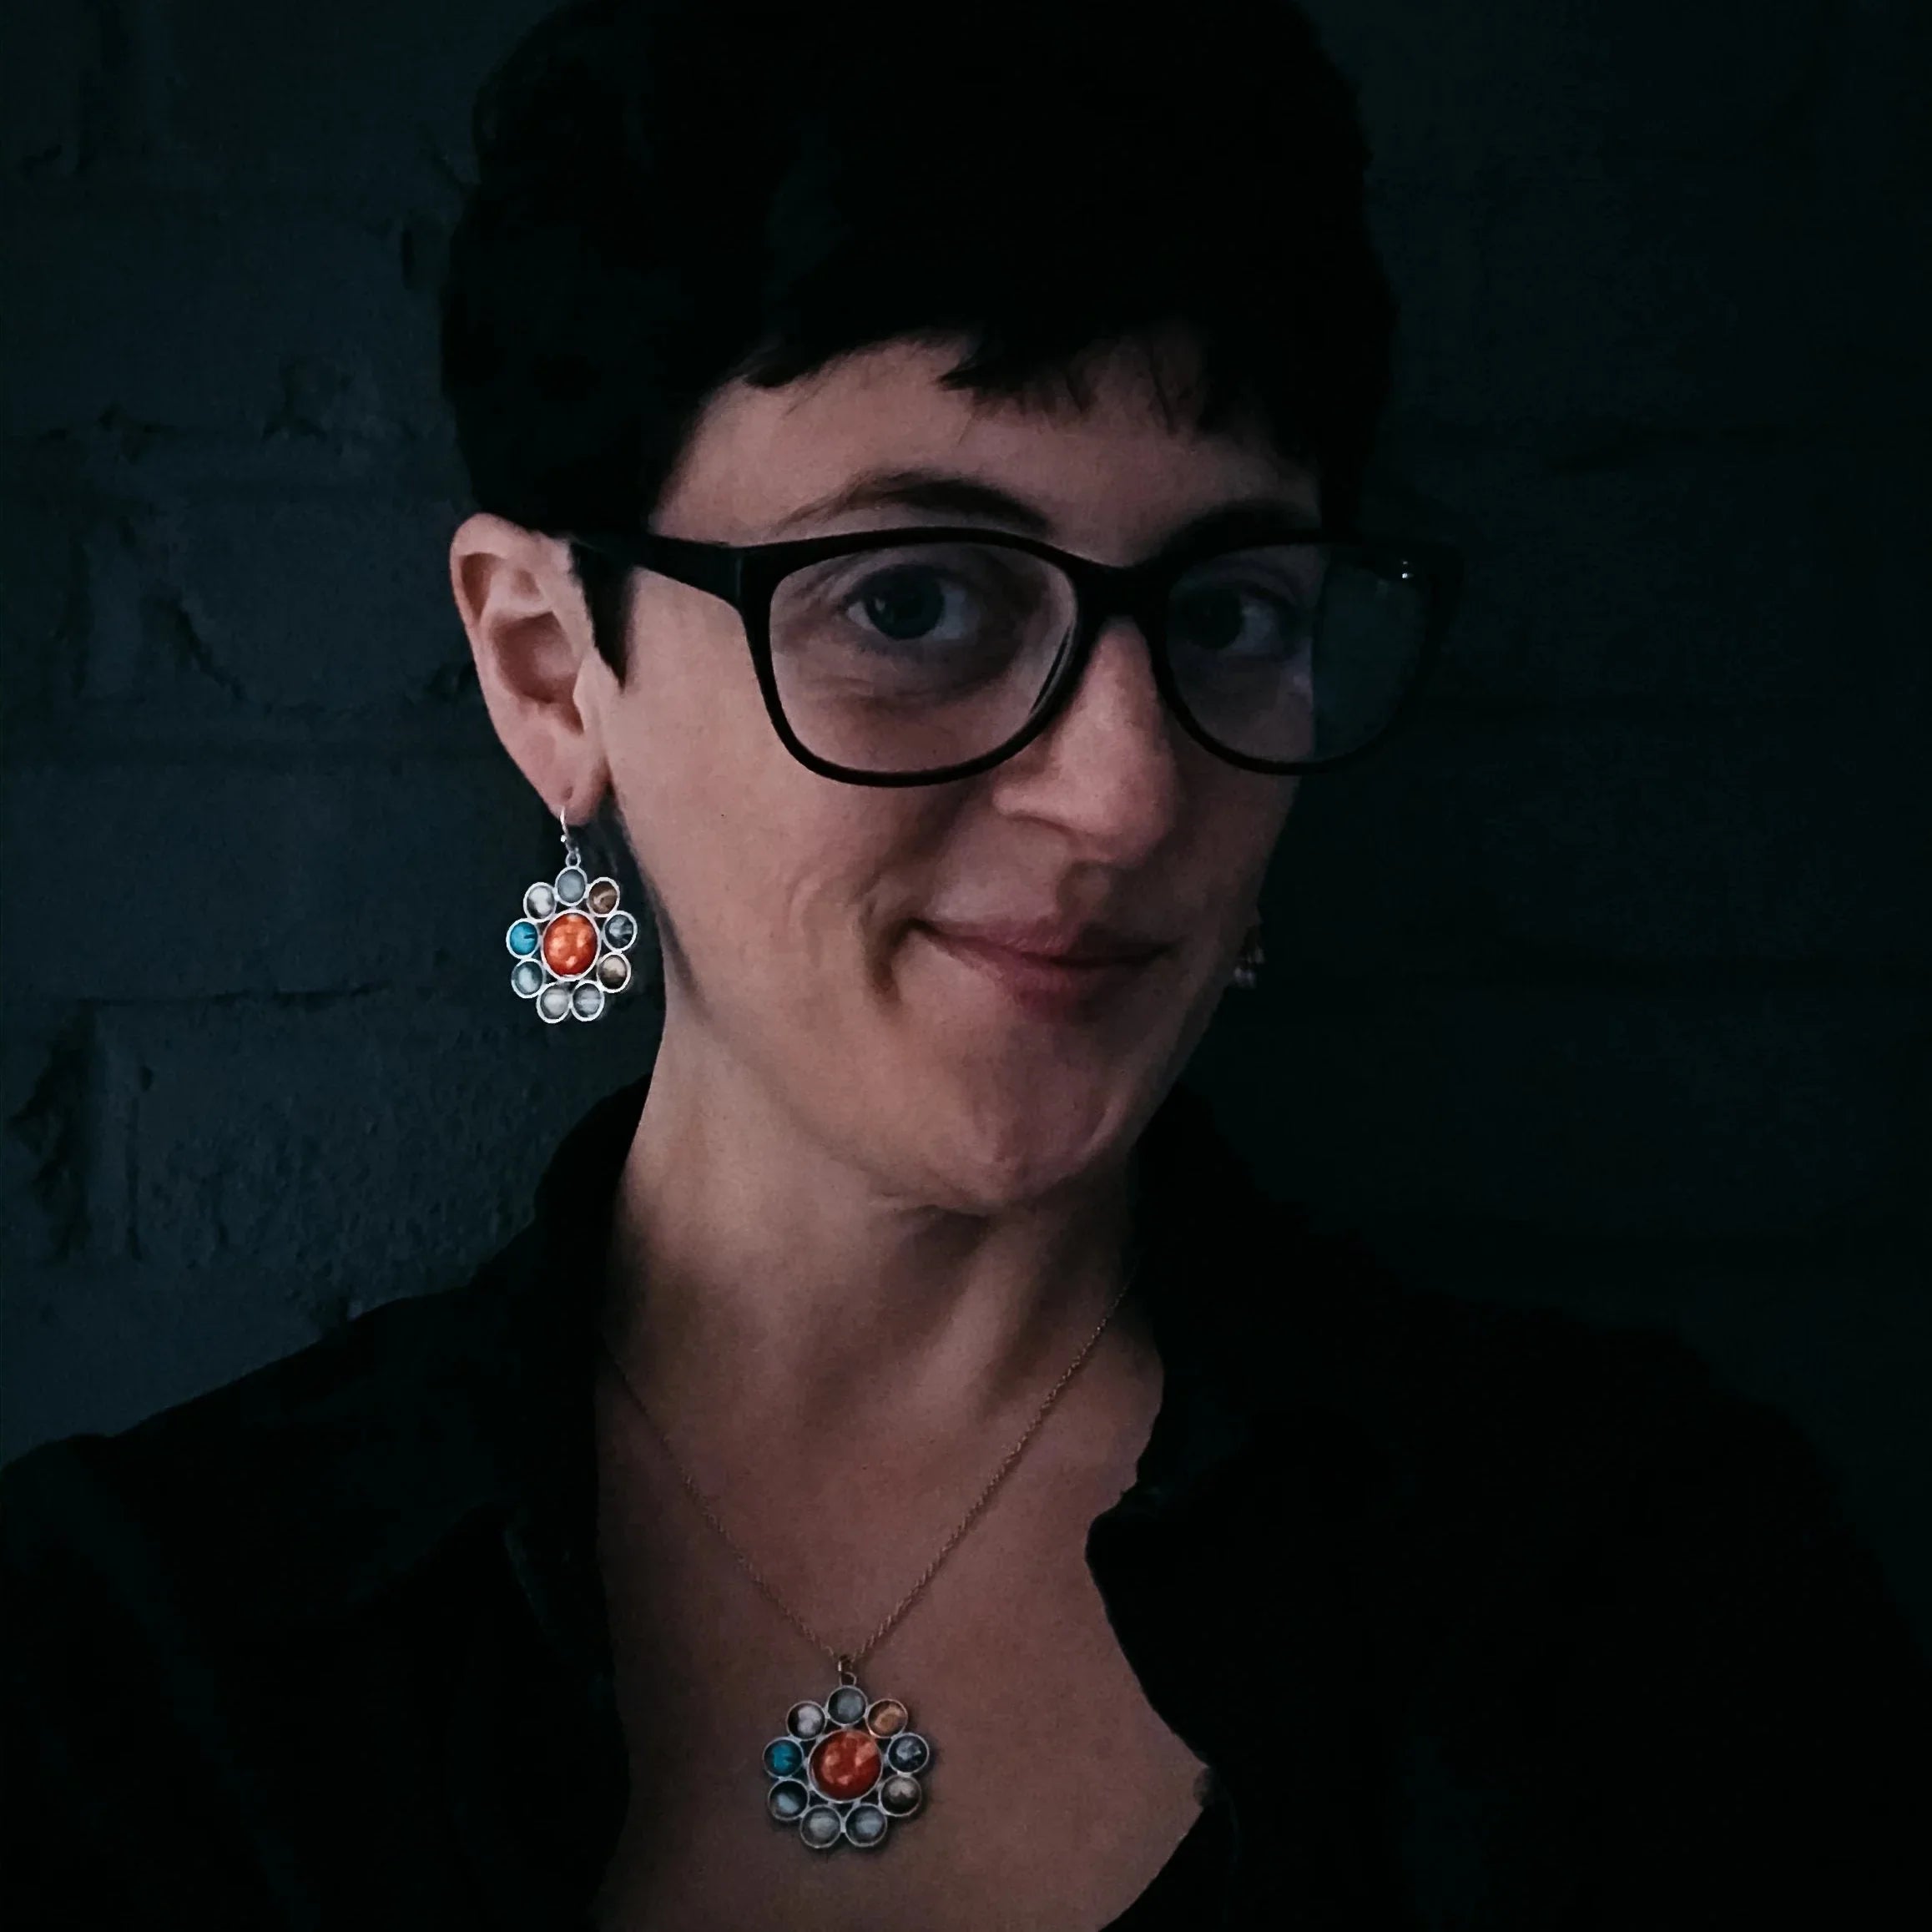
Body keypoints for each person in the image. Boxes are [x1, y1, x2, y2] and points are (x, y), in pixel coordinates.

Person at [4, 0, 1927, 1926]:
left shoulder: (1630, 1600)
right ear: (549, 665)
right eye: (911, 601)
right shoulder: (131, 1677)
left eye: (1234, 608)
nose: (1127, 790)